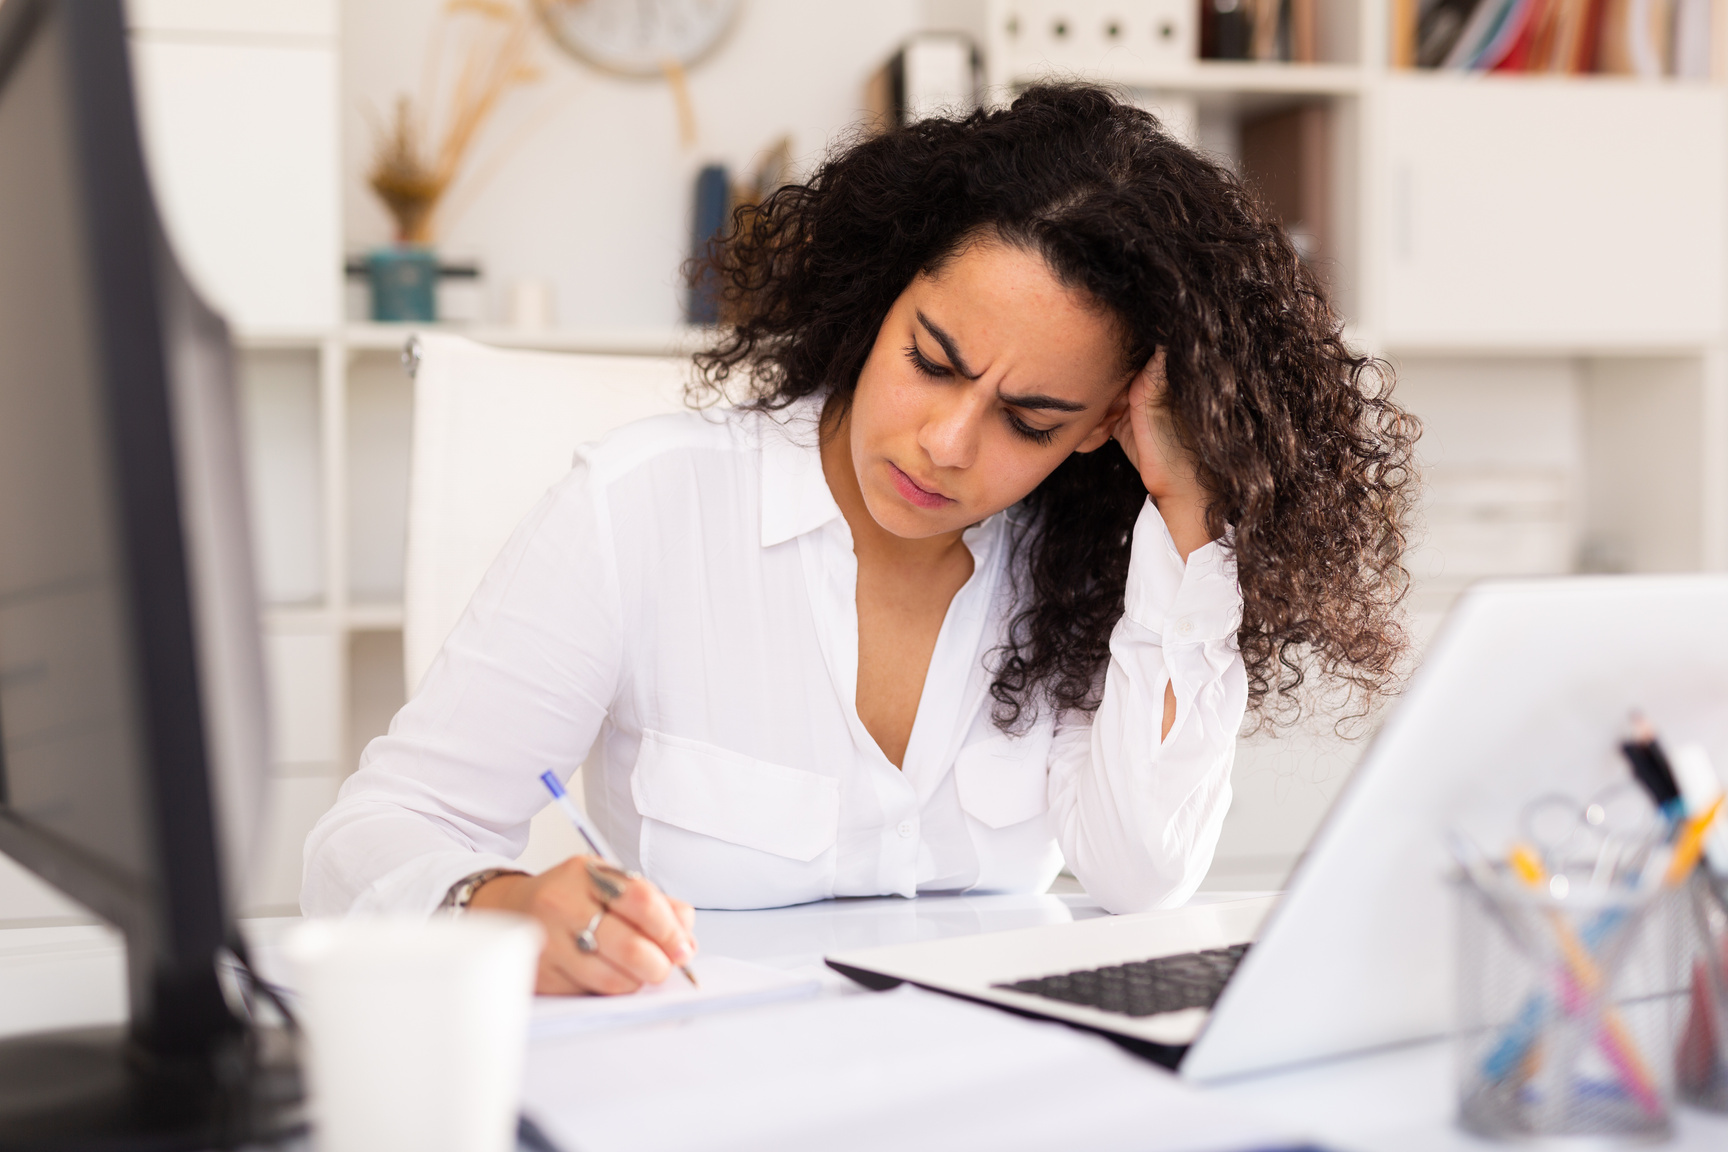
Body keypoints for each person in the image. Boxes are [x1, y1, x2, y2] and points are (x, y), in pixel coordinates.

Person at [302, 83, 1419, 997]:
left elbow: (1140, 876)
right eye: (932, 360)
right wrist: (495, 904)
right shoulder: (644, 508)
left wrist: (1187, 519)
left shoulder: (1088, 571)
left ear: (1104, 429)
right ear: (882, 297)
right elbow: (374, 835)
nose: (946, 442)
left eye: (1031, 420)